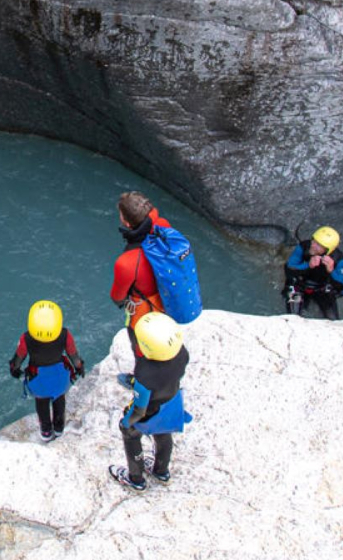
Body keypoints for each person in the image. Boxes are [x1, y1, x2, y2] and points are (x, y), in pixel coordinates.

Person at [109, 312, 192, 491]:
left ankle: (136, 478)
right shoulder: (181, 353)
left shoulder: (145, 373)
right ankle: (161, 471)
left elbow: (139, 409)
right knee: (163, 434)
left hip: (150, 410)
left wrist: (126, 422)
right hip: (170, 403)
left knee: (131, 436)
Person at [7, 300, 86, 442]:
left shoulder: (26, 338)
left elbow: (18, 359)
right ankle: (59, 428)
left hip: (39, 380)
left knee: (42, 404)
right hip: (60, 379)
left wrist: (15, 369)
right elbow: (73, 355)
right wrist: (80, 367)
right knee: (59, 400)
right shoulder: (65, 335)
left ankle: (46, 431)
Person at [111, 192, 170, 355]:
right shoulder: (164, 226)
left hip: (146, 308)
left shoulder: (127, 261)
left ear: (127, 223)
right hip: (169, 298)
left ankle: (139, 377)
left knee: (141, 346)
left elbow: (117, 297)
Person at [283, 225, 343, 319]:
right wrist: (308, 266)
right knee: (293, 318)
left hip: (321, 289)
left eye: (318, 245)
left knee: (334, 322)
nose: (313, 245)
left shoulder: (338, 258)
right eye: (313, 241)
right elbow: (289, 269)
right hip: (298, 285)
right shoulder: (303, 247)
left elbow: (341, 286)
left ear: (327, 250)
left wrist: (331, 271)